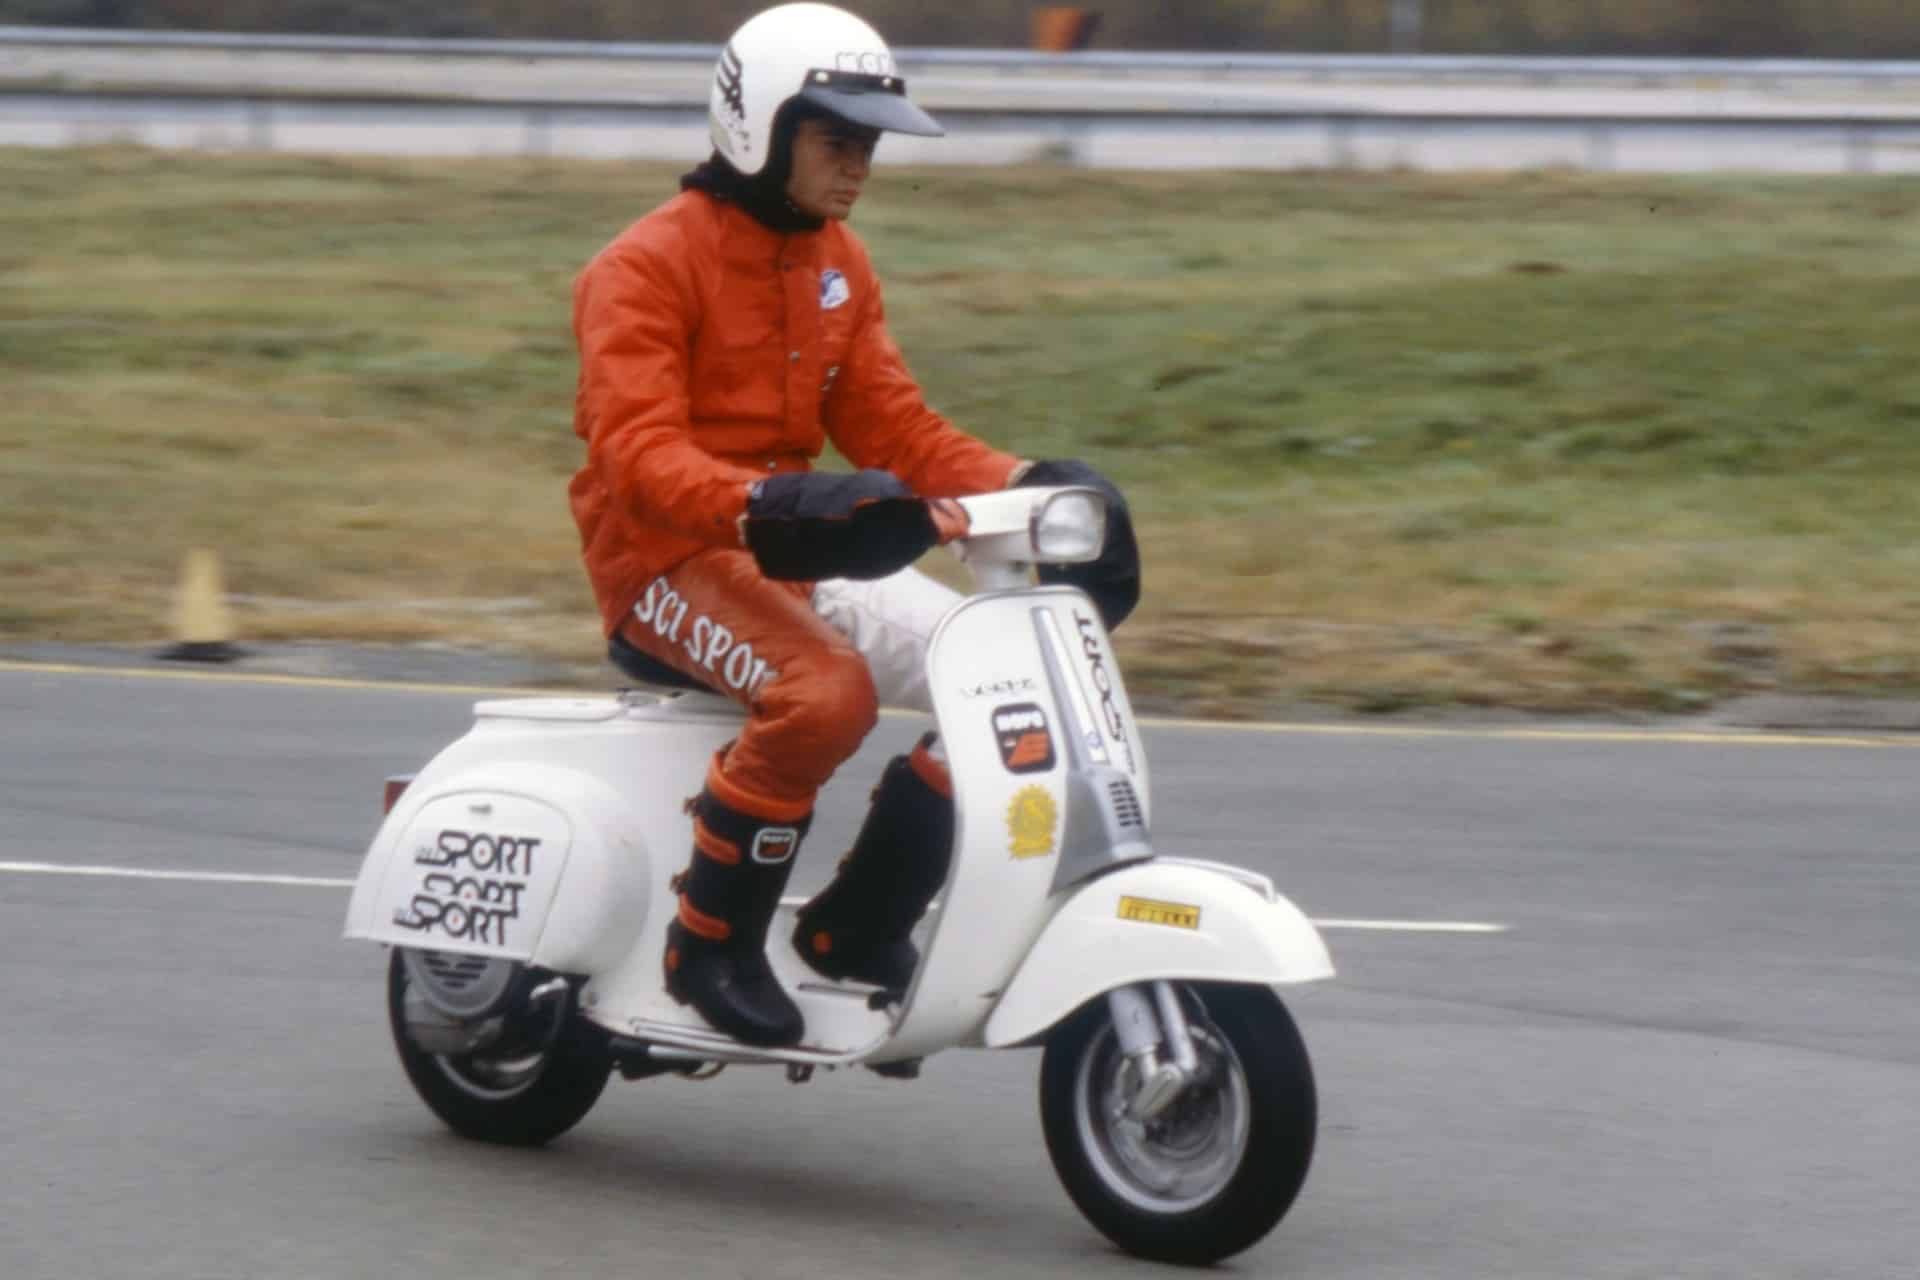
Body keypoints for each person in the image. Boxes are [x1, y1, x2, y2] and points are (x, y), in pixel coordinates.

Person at [569, 1, 1139, 1049]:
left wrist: (1040, 483)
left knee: (1011, 681)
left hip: (790, 550)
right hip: (664, 560)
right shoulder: (641, 268)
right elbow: (635, 460)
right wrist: (763, 501)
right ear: (762, 128)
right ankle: (707, 944)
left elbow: (896, 426)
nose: (861, 162)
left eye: (868, 140)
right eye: (838, 138)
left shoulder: (839, 261)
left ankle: (855, 926)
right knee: (828, 692)